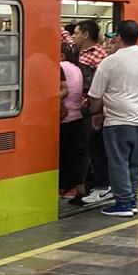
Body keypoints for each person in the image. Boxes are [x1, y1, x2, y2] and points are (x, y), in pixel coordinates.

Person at [87, 20, 138, 217]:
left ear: (118, 36)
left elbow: (95, 95)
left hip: (117, 123)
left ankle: (123, 203)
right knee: (136, 165)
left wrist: (96, 113)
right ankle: (132, 200)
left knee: (118, 162)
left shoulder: (109, 62)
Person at [71, 19, 112, 205]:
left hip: (92, 109)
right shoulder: (76, 53)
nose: (74, 36)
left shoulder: (98, 56)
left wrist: (97, 110)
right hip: (80, 109)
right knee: (83, 147)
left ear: (86, 35)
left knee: (93, 147)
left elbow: (100, 85)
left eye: (76, 33)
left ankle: (101, 186)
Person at [59, 43, 88, 198]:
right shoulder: (77, 68)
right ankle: (74, 187)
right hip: (77, 117)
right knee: (74, 154)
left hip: (63, 117)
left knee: (63, 155)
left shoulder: (59, 66)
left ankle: (64, 186)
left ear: (62, 55)